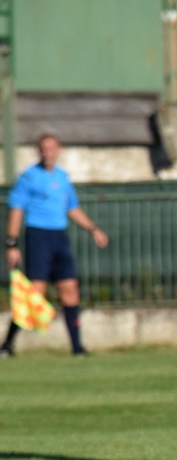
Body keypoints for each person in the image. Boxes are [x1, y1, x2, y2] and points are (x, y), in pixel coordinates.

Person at [1, 134, 109, 358]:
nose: (47, 153)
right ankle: (7, 345)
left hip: (59, 237)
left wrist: (93, 228)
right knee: (35, 293)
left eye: (51, 149)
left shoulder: (62, 177)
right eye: (43, 149)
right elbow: (16, 209)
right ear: (38, 151)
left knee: (70, 289)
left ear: (59, 150)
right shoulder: (29, 177)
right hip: (38, 236)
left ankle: (77, 348)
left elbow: (72, 208)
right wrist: (12, 243)